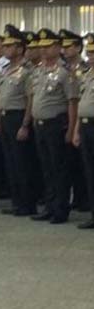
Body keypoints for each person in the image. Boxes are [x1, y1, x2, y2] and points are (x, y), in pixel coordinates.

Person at [30, 29, 78, 224]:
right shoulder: (39, 70)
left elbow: (72, 102)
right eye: (41, 47)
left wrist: (71, 128)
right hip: (40, 125)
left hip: (56, 125)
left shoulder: (65, 73)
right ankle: (49, 207)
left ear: (58, 48)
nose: (43, 50)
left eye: (48, 46)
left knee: (59, 169)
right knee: (46, 168)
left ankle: (60, 209)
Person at [0, 25, 39, 217]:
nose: (6, 49)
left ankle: (27, 203)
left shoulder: (27, 70)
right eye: (5, 45)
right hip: (4, 117)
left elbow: (30, 99)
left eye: (10, 45)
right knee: (10, 162)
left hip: (18, 117)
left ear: (20, 48)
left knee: (22, 163)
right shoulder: (6, 69)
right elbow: (0, 97)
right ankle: (17, 201)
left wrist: (25, 124)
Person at [60, 29, 90, 212]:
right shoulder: (62, 69)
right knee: (70, 163)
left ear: (78, 47)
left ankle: (84, 199)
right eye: (62, 46)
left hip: (80, 118)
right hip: (66, 118)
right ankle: (77, 199)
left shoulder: (85, 69)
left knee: (82, 164)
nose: (65, 50)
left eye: (68, 46)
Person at [74, 34, 94, 229]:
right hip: (86, 126)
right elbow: (81, 104)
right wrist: (77, 131)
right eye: (89, 52)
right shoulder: (87, 75)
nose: (90, 56)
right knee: (90, 171)